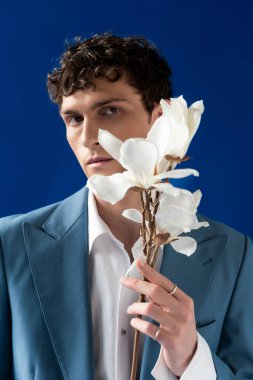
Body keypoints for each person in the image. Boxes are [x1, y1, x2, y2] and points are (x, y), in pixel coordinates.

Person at [0, 32, 253, 380]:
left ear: (160, 116)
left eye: (111, 110)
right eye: (74, 119)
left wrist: (191, 358)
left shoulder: (232, 253)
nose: (89, 137)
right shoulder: (10, 244)